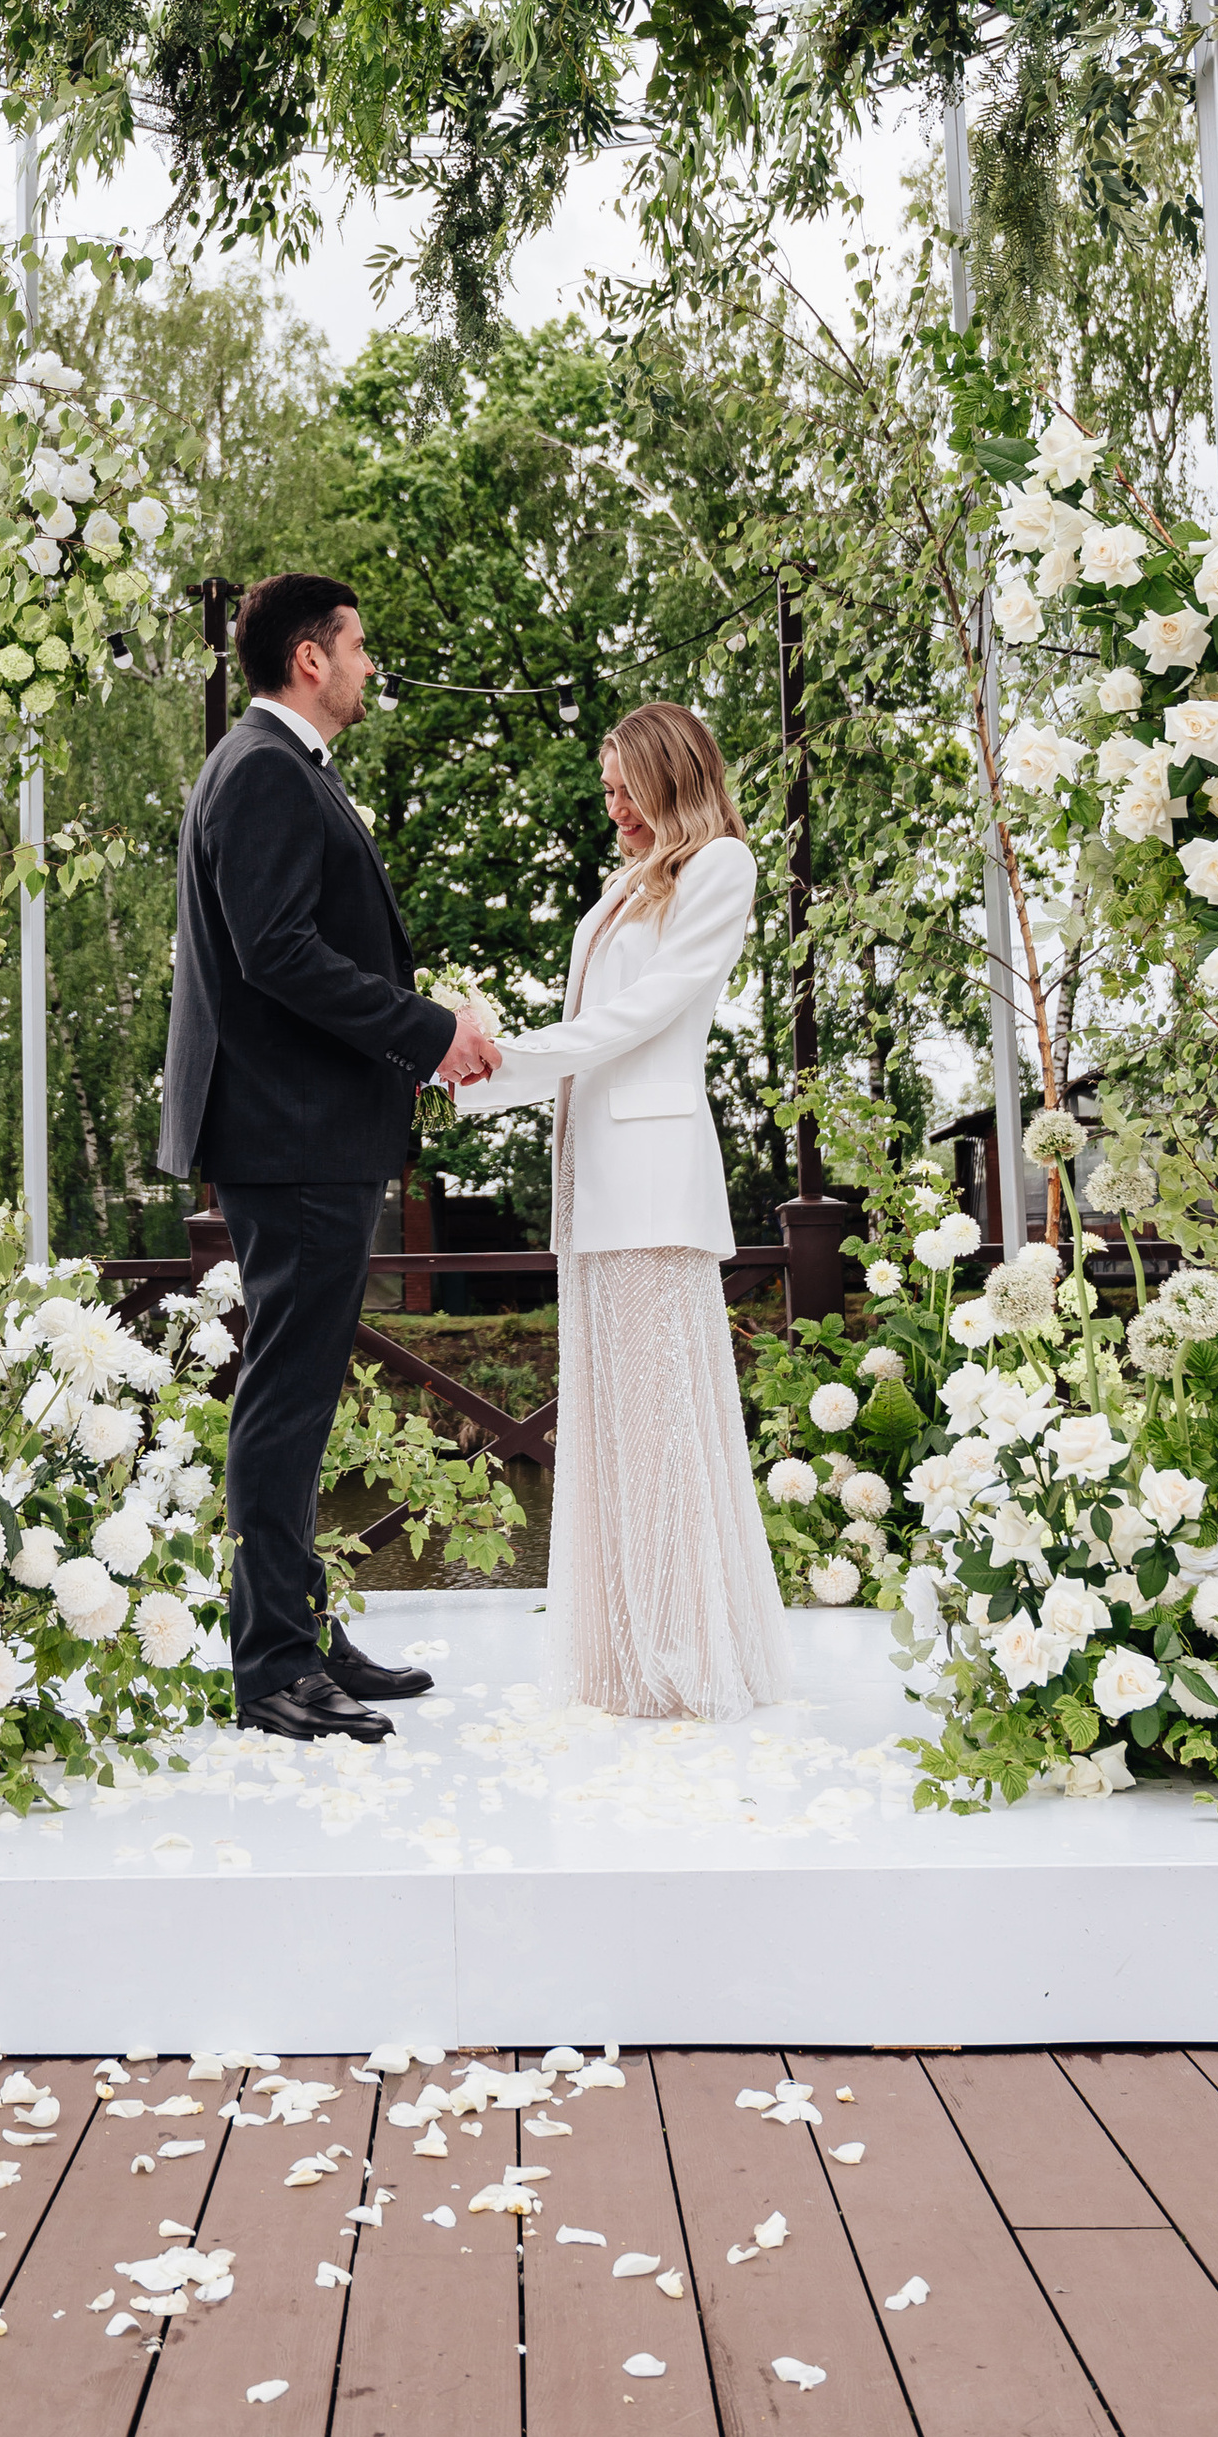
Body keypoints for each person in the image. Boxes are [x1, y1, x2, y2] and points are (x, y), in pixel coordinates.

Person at [160, 573, 500, 1742]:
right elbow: (278, 953)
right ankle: (271, 1666)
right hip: (293, 1133)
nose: (368, 664)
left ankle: (300, 1628)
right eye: (357, 645)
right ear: (310, 657)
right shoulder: (262, 769)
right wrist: (429, 1030)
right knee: (285, 1397)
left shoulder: (275, 768)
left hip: (300, 1129)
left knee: (296, 1395)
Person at [456, 701, 788, 1722]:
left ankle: (684, 1653)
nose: (613, 812)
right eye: (605, 795)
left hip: (651, 1182)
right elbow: (590, 1028)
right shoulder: (619, 889)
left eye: (623, 790)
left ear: (669, 774)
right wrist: (485, 1070)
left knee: (663, 1425)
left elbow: (645, 1015)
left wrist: (507, 1057)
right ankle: (622, 1657)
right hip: (590, 1181)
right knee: (609, 1426)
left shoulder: (719, 867)